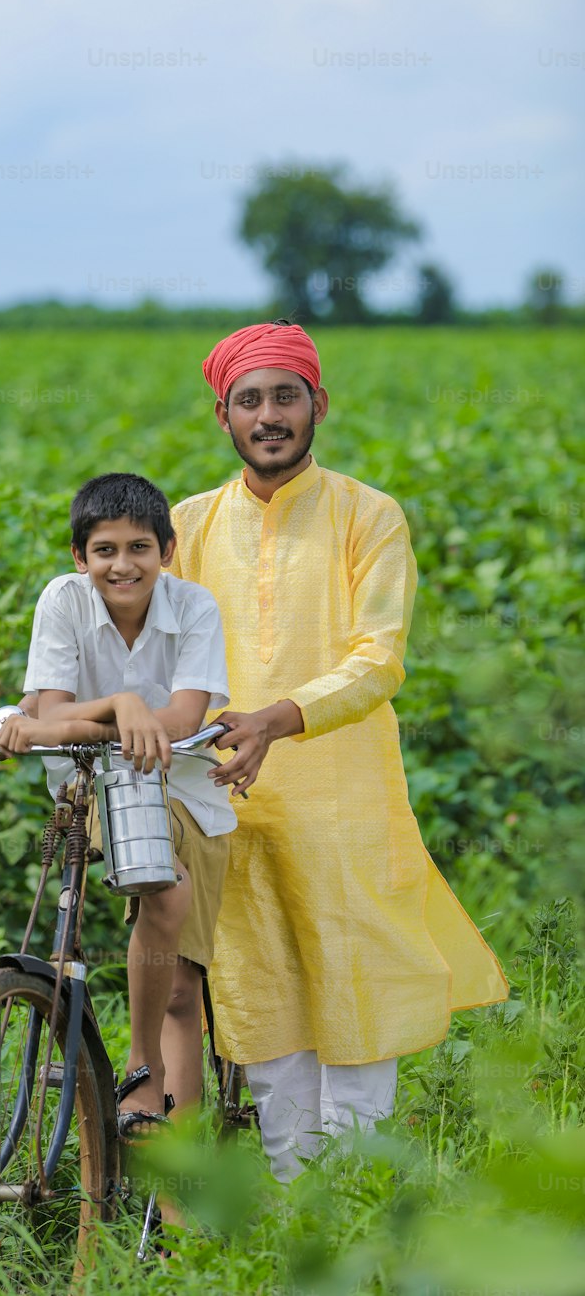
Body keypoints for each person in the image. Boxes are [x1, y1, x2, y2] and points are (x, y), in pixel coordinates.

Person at [169, 320, 509, 1180]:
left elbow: (377, 659)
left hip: (346, 806)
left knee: (356, 1000)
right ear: (224, 416)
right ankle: (295, 1217)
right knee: (264, 1005)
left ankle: (352, 1212)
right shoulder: (189, 526)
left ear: (319, 404)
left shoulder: (369, 515)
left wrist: (276, 719)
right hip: (228, 805)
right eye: (251, 400)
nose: (270, 415)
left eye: (287, 396)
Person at [0, 472, 232, 1137]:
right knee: (164, 895)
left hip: (182, 783)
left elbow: (181, 720)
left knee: (182, 979)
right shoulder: (63, 599)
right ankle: (142, 1074)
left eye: (138, 548)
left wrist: (50, 725)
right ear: (79, 556)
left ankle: (149, 1083)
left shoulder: (195, 607)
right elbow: (50, 714)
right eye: (104, 551)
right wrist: (121, 707)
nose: (122, 565)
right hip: (92, 781)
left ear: (167, 550)